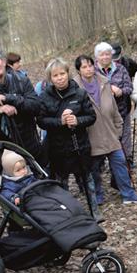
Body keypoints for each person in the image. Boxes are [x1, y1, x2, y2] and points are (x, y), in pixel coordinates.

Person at [74, 55, 137, 205]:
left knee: (120, 164)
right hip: (92, 136)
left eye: (90, 65)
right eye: (84, 67)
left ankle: (128, 194)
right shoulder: (75, 89)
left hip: (111, 133)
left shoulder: (104, 82)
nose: (88, 69)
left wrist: (118, 129)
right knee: (94, 170)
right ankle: (98, 196)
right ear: (79, 71)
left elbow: (114, 108)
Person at [36, 58, 100, 220]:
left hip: (80, 144)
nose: (60, 78)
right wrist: (60, 122)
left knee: (87, 179)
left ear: (68, 73)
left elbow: (91, 116)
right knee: (61, 183)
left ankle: (94, 212)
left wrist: (77, 121)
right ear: (50, 78)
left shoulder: (79, 92)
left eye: (62, 73)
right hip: (57, 148)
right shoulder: (44, 96)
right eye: (55, 75)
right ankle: (67, 215)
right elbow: (41, 121)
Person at [0, 48, 45, 167]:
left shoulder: (22, 81)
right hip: (2, 154)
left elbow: (37, 107)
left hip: (31, 147)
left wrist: (9, 98)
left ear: (3, 61)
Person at [93, 42, 133, 168]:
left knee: (124, 138)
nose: (105, 57)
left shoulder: (120, 68)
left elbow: (129, 87)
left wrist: (121, 91)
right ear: (97, 57)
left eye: (108, 54)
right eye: (102, 55)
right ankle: (103, 164)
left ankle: (126, 163)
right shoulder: (92, 71)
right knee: (103, 139)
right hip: (100, 114)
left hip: (121, 111)